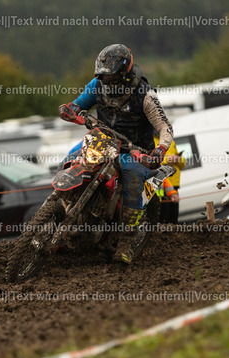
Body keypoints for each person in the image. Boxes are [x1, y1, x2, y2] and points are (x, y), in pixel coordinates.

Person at [58, 44, 174, 263]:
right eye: (104, 76)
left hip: (135, 150)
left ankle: (126, 242)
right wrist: (70, 110)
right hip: (102, 141)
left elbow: (165, 127)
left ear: (124, 74)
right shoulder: (97, 86)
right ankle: (66, 213)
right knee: (69, 160)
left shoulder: (145, 95)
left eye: (111, 77)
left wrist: (160, 150)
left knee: (132, 174)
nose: (107, 81)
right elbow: (78, 104)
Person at [158, 139, 185, 223]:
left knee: (173, 218)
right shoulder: (150, 140)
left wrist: (178, 159)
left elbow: (182, 164)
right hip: (160, 187)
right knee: (163, 218)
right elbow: (152, 162)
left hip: (174, 186)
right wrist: (167, 160)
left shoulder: (171, 141)